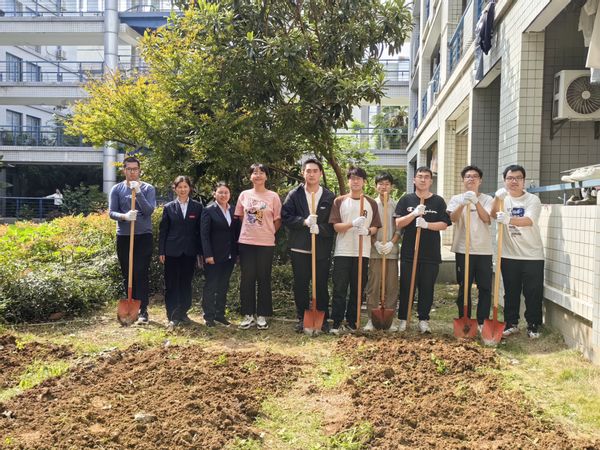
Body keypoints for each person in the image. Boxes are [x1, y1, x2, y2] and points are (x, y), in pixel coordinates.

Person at [395, 166, 451, 333]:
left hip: (430, 253)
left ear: (431, 181)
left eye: (426, 177)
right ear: (414, 180)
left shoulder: (438, 201)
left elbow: (444, 224)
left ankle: (423, 320)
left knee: (427, 287)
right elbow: (398, 223)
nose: (423, 179)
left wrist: (427, 225)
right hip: (409, 253)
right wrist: (413, 215)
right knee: (406, 286)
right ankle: (404, 319)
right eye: (420, 176)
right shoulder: (406, 200)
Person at [282, 158, 335, 333]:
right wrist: (303, 221)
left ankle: (323, 319)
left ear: (320, 173)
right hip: (299, 247)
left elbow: (334, 223)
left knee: (321, 284)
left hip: (321, 249)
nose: (311, 174)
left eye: (315, 171)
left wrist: (321, 229)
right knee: (301, 284)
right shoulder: (294, 195)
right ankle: (302, 318)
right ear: (303, 173)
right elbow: (286, 216)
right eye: (308, 171)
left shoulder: (329, 197)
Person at [490, 164, 544, 339]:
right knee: (511, 292)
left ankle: (533, 325)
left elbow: (529, 220)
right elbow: (493, 214)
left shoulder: (532, 200)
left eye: (518, 178)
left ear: (523, 181)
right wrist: (496, 199)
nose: (514, 181)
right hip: (508, 254)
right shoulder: (502, 199)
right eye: (510, 178)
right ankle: (511, 323)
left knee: (532, 292)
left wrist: (508, 219)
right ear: (504, 180)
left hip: (532, 255)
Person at [328, 166, 381, 334]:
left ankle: (353, 321)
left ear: (364, 182)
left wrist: (367, 231)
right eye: (352, 178)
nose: (355, 181)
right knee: (339, 288)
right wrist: (352, 224)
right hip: (343, 251)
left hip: (362, 252)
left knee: (358, 289)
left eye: (359, 178)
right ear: (348, 181)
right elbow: (336, 226)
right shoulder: (339, 201)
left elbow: (375, 227)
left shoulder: (371, 203)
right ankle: (336, 322)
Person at [109, 156, 156, 324]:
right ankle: (130, 305)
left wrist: (139, 193)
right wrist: (124, 216)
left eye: (135, 169)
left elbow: (149, 211)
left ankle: (143, 310)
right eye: (129, 169)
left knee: (140, 272)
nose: (132, 172)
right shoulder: (117, 189)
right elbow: (111, 212)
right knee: (127, 272)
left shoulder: (148, 188)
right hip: (124, 236)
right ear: (124, 170)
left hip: (143, 236)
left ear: (139, 170)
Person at [234, 163, 282, 330]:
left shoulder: (273, 196)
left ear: (266, 176)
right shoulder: (244, 195)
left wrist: (268, 232)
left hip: (266, 243)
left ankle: (262, 315)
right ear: (250, 177)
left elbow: (277, 220)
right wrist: (251, 230)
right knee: (247, 278)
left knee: (263, 278)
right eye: (255, 172)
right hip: (246, 242)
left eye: (262, 172)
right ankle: (248, 314)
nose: (258, 175)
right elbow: (240, 217)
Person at [447, 165, 493, 332]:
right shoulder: (456, 198)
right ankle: (464, 318)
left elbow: (487, 218)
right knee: (464, 286)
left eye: (475, 176)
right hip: (463, 249)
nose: (471, 179)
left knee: (485, 287)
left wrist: (475, 201)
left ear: (480, 181)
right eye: (468, 176)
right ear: (463, 180)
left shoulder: (488, 199)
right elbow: (452, 218)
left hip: (483, 250)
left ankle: (482, 321)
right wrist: (463, 204)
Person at [158, 175, 203, 329]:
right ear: (175, 189)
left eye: (185, 187)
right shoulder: (169, 207)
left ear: (190, 188)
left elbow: (200, 231)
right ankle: (172, 315)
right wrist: (161, 251)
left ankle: (183, 312)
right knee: (171, 284)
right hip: (171, 251)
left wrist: (200, 252)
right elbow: (163, 231)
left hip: (189, 252)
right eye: (180, 187)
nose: (183, 190)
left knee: (186, 283)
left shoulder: (197, 207)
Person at [363, 172, 401, 332]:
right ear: (375, 186)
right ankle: (371, 320)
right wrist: (376, 243)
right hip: (375, 251)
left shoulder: (396, 205)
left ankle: (389, 321)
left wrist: (392, 243)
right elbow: (367, 227)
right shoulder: (371, 205)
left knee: (392, 287)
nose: (384, 187)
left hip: (391, 252)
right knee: (373, 286)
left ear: (392, 187)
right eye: (381, 183)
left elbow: (399, 228)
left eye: (387, 184)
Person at [201, 182, 240, 327]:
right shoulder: (208, 210)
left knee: (223, 285)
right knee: (211, 285)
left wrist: (237, 253)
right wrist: (208, 254)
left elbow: (235, 233)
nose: (223, 195)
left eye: (226, 192)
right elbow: (204, 235)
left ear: (230, 194)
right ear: (214, 194)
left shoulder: (234, 210)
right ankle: (208, 316)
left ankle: (220, 314)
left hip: (230, 254)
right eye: (220, 192)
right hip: (214, 255)